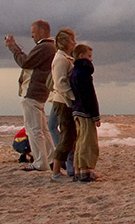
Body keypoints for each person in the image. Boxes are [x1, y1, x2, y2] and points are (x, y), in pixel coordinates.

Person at [5, 20, 56, 172]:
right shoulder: (50, 47)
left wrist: (13, 48)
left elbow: (25, 62)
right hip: (40, 92)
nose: (32, 35)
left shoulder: (44, 47)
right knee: (42, 129)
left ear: (41, 32)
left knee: (34, 130)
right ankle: (51, 158)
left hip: (32, 93)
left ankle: (40, 162)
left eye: (33, 32)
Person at [70, 44, 101, 182]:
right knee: (88, 141)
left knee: (81, 140)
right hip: (85, 111)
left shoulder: (74, 72)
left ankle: (78, 169)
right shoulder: (83, 73)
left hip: (77, 109)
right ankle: (85, 169)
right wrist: (95, 115)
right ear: (81, 56)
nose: (91, 60)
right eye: (89, 56)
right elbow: (89, 95)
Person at [50, 28, 77, 181]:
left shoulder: (66, 58)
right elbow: (60, 84)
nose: (74, 42)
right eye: (72, 40)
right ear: (66, 42)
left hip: (65, 101)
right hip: (63, 102)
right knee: (66, 136)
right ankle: (56, 172)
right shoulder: (60, 59)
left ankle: (70, 169)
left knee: (71, 136)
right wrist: (73, 99)